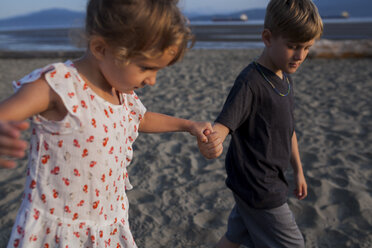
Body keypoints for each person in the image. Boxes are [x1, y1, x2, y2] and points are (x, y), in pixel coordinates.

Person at [0, 0, 213, 247]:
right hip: (60, 228)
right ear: (101, 48)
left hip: (109, 221)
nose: (152, 81)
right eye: (146, 68)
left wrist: (188, 125)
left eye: (158, 71)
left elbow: (141, 119)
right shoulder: (59, 85)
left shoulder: (121, 93)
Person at [198, 0, 323, 247]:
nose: (300, 56)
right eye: (293, 46)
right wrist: (213, 139)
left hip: (261, 182)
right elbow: (224, 124)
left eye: (307, 48)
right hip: (260, 187)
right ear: (267, 37)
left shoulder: (285, 78)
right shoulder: (250, 82)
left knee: (235, 236)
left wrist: (298, 170)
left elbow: (289, 130)